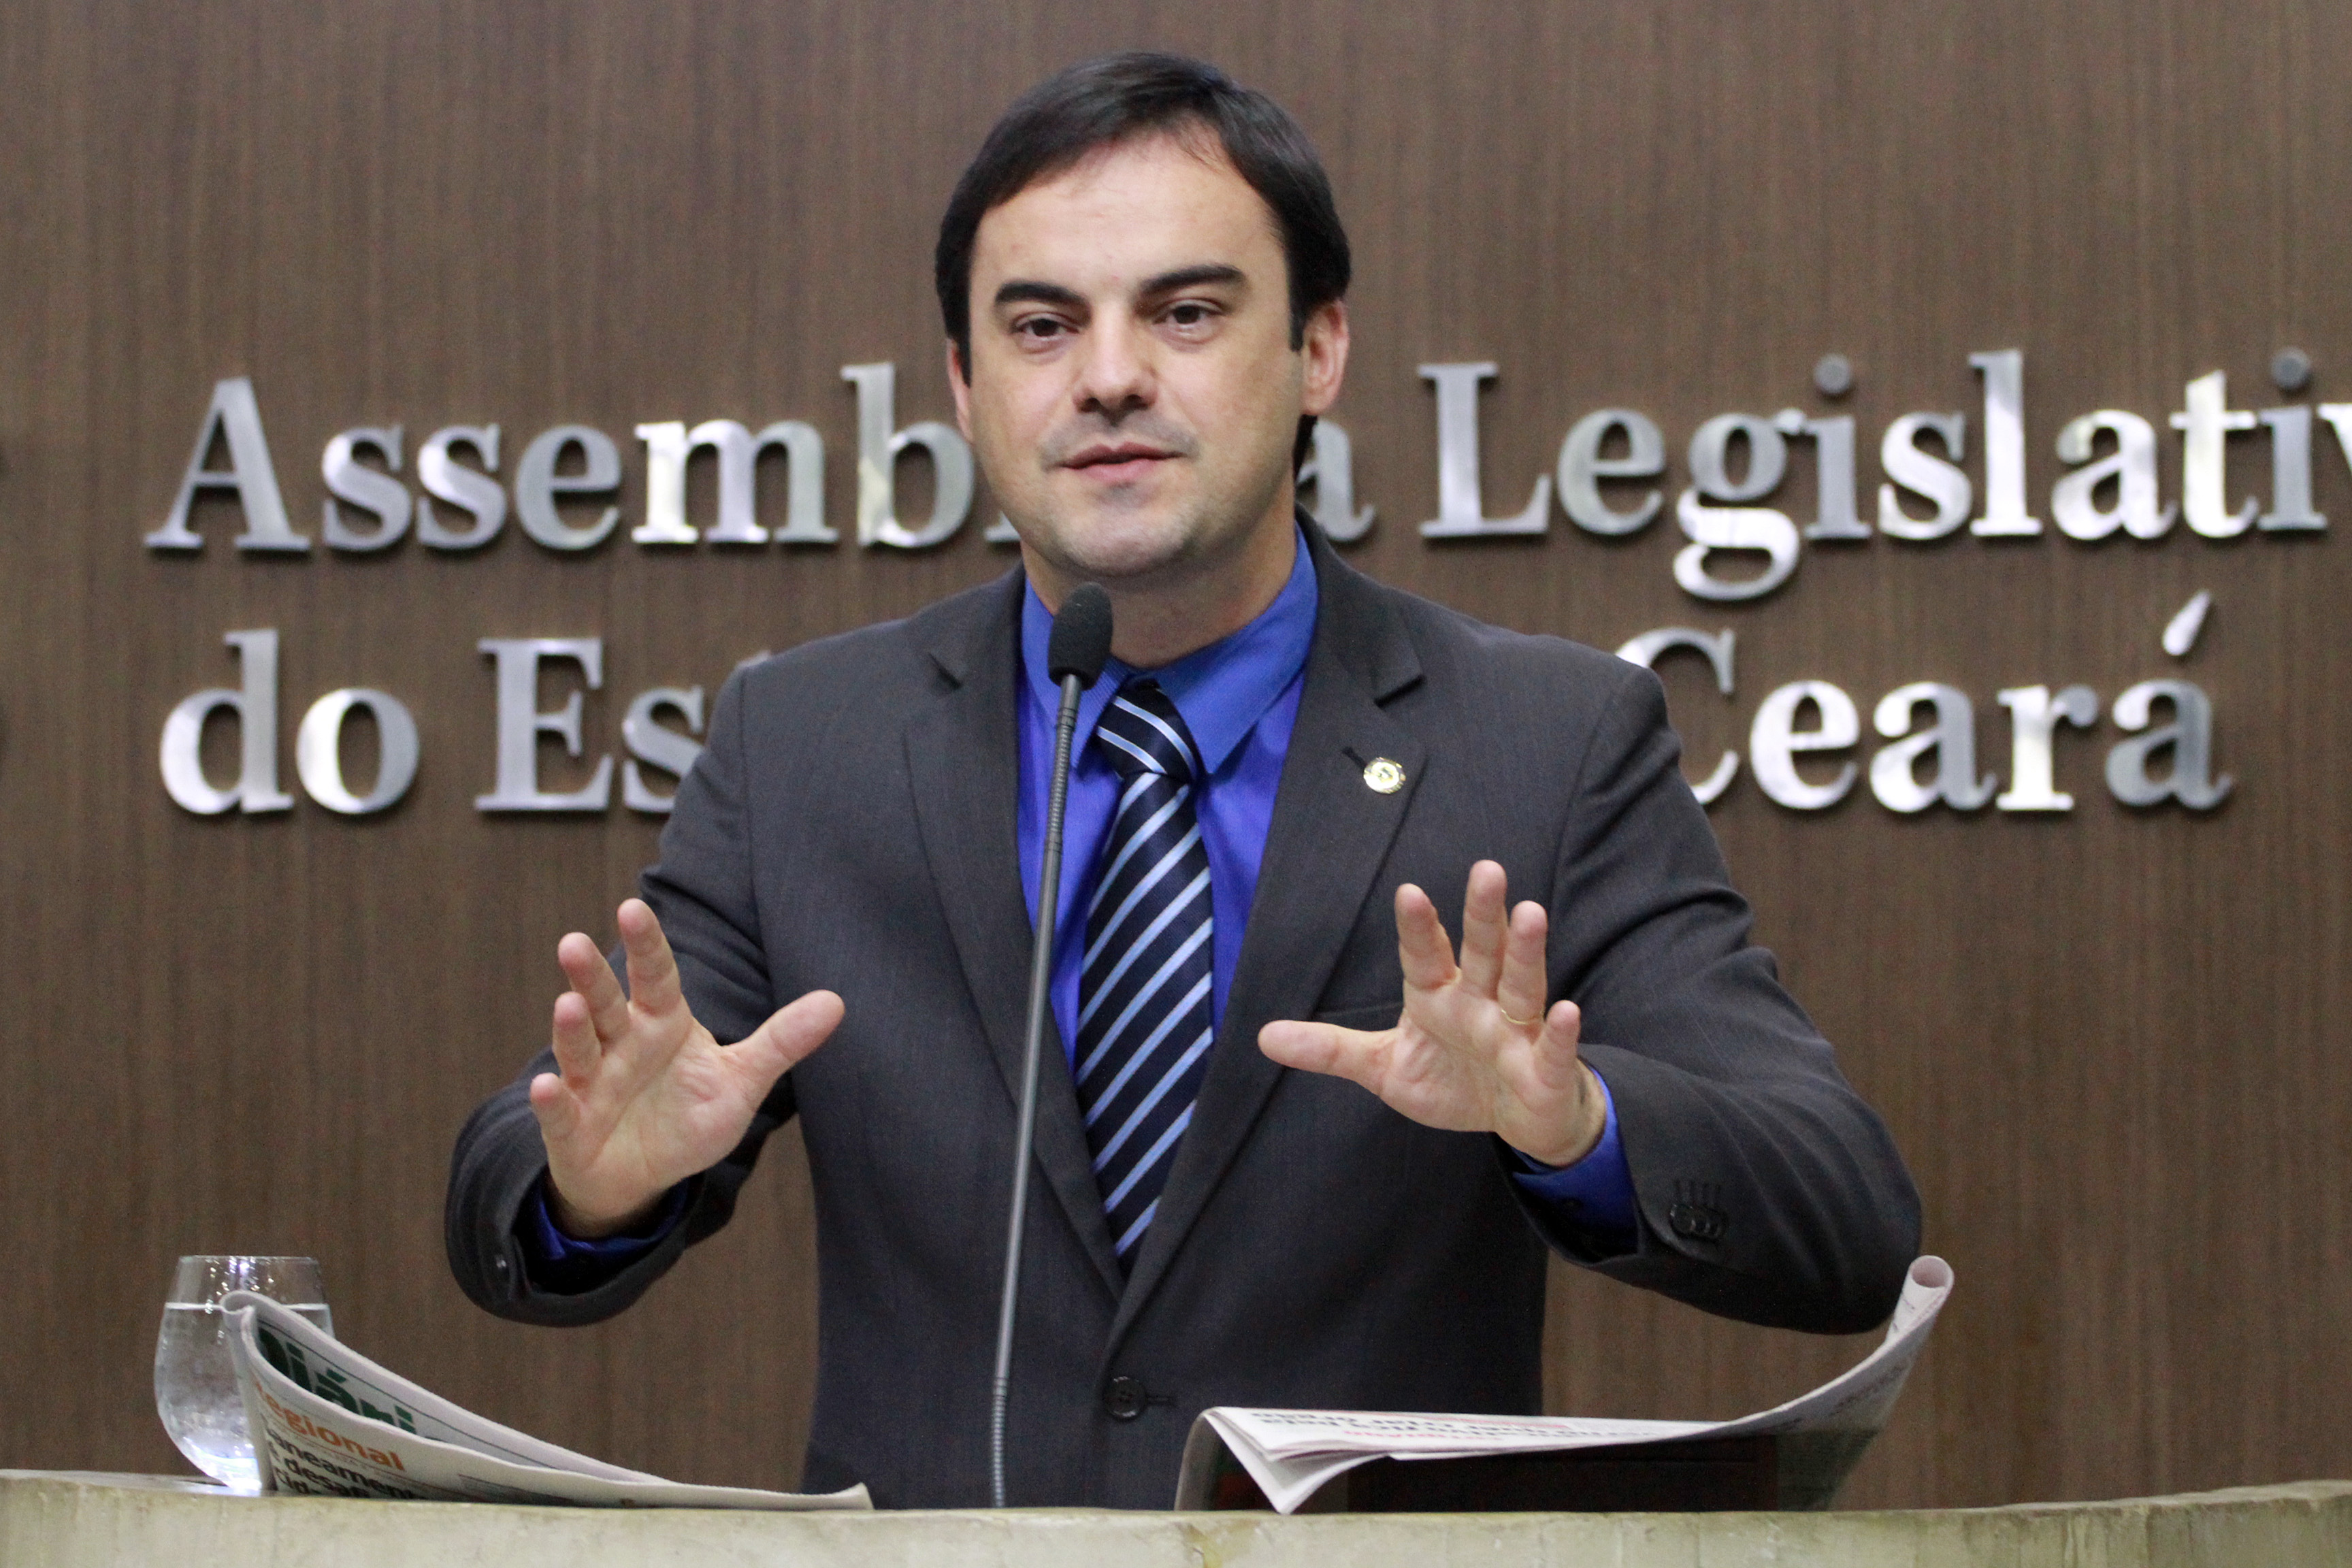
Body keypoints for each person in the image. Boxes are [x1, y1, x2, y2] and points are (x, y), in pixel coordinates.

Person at [446, 52, 1919, 1509]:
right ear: (963, 384)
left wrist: (1576, 1125)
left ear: (1319, 350)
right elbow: (518, 1182)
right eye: (1041, 326)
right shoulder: (804, 741)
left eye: (1187, 312)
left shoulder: (1546, 738)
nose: (1108, 377)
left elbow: (1844, 1215)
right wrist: (594, 1186)